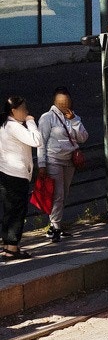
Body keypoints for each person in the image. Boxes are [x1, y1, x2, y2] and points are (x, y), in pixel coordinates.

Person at [36, 89, 88, 242]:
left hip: (70, 160)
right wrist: (42, 164)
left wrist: (74, 121)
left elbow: (83, 137)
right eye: (60, 103)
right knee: (57, 194)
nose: (63, 105)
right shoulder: (47, 118)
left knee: (63, 193)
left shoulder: (74, 117)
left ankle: (54, 225)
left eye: (66, 102)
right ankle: (56, 227)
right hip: (54, 159)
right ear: (55, 102)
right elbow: (41, 142)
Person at [0, 96, 42, 260]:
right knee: (17, 211)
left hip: (7, 173)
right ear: (14, 111)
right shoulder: (13, 127)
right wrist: (31, 122)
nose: (26, 112)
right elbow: (36, 140)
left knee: (9, 211)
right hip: (15, 174)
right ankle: (12, 248)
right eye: (23, 109)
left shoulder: (5, 125)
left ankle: (8, 246)